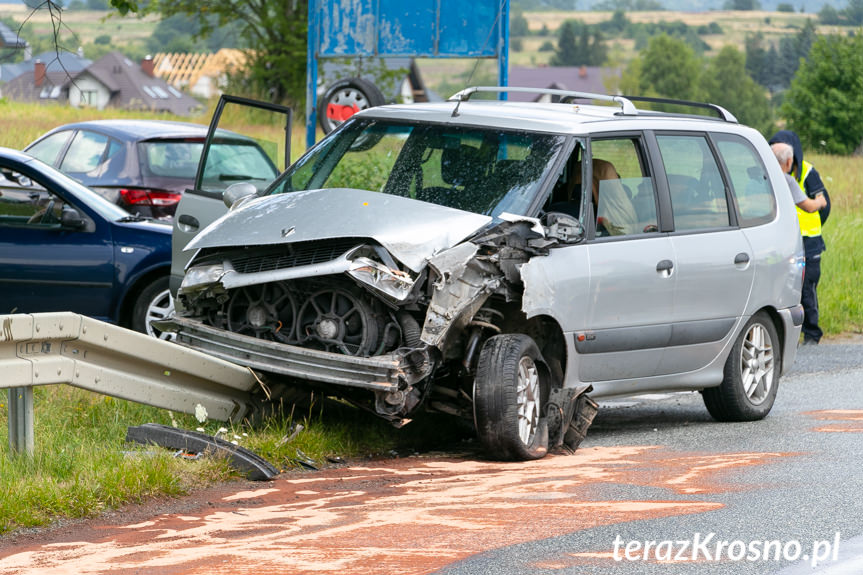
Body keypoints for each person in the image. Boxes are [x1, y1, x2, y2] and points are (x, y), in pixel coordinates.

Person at [769, 131, 829, 345]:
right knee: (790, 289)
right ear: (788, 160)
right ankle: (798, 334)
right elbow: (816, 205)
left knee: (806, 289)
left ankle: (810, 333)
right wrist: (820, 202)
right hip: (785, 243)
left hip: (807, 242)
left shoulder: (806, 172)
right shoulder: (781, 177)